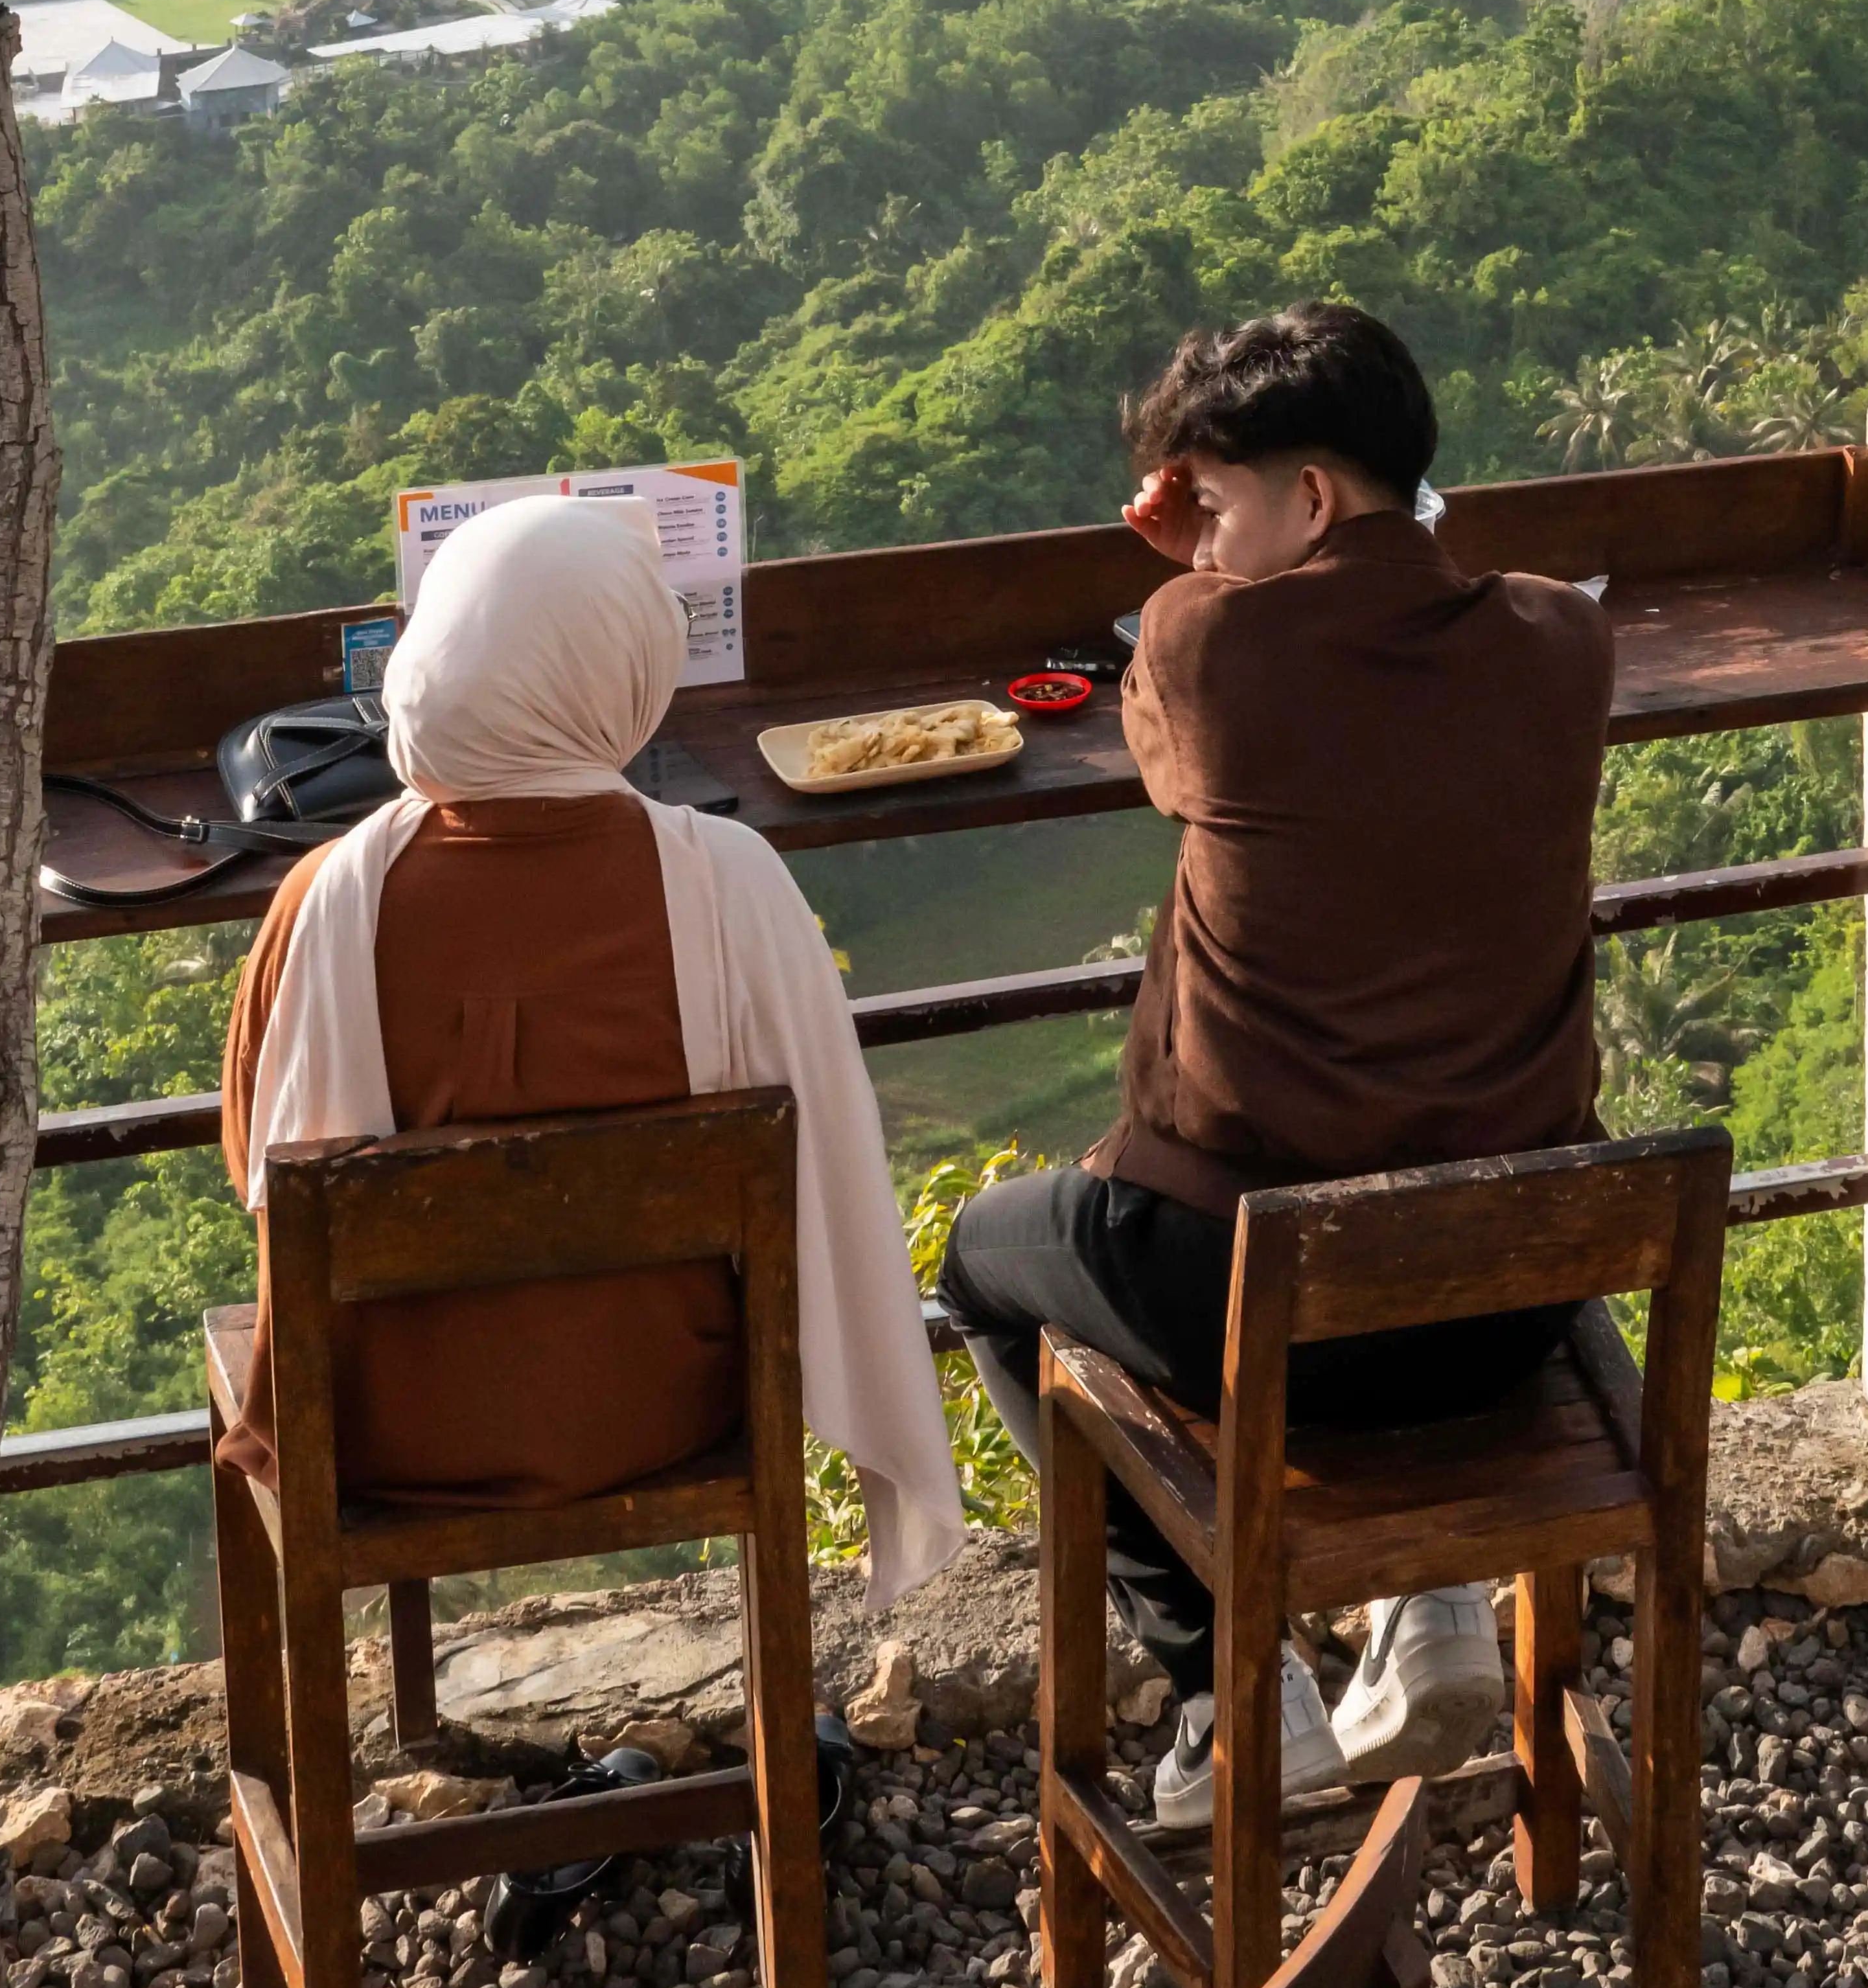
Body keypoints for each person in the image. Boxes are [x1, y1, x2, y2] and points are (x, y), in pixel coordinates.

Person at [936, 299, 1615, 1823]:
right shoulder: (1567, 638)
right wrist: (1233, 521)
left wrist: (1192, 566)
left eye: (1227, 503)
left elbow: (1174, 738)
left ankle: (1225, 1696)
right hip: (1510, 1293)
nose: (1210, 540)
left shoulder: (1201, 637)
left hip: (1257, 1301)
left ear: (1309, 496)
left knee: (983, 1269)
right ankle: (1427, 1598)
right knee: (1410, 1169)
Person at [221, 490, 963, 1601]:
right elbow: (831, 1166)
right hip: (667, 1408)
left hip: (382, 1434)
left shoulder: (323, 902)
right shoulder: (731, 883)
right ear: (623, 674)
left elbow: (260, 1170)